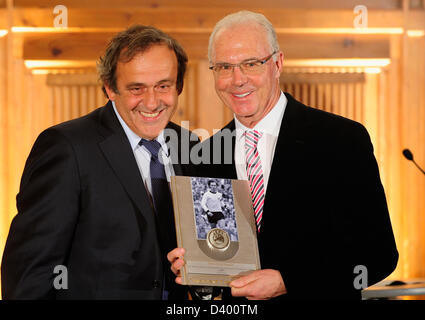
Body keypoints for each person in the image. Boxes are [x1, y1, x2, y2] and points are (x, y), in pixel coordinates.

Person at [168, 11, 398, 300]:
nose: (237, 80)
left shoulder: (341, 140)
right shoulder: (203, 156)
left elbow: (379, 256)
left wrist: (288, 280)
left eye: (251, 63)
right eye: (224, 67)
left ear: (277, 64)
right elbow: (214, 276)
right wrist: (194, 273)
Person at [1, 25, 198, 300]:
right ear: (110, 88)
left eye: (163, 86)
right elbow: (29, 273)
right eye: (136, 88)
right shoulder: (66, 147)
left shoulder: (190, 146)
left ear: (178, 85)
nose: (152, 102)